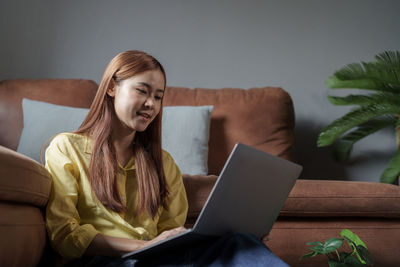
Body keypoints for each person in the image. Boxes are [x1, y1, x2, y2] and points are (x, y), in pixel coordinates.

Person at [45, 50, 289, 266]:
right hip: (100, 261)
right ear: (111, 88)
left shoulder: (163, 164)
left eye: (158, 97)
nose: (151, 104)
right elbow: (64, 235)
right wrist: (141, 247)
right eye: (142, 91)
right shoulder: (66, 148)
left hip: (154, 259)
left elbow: (170, 237)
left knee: (239, 242)